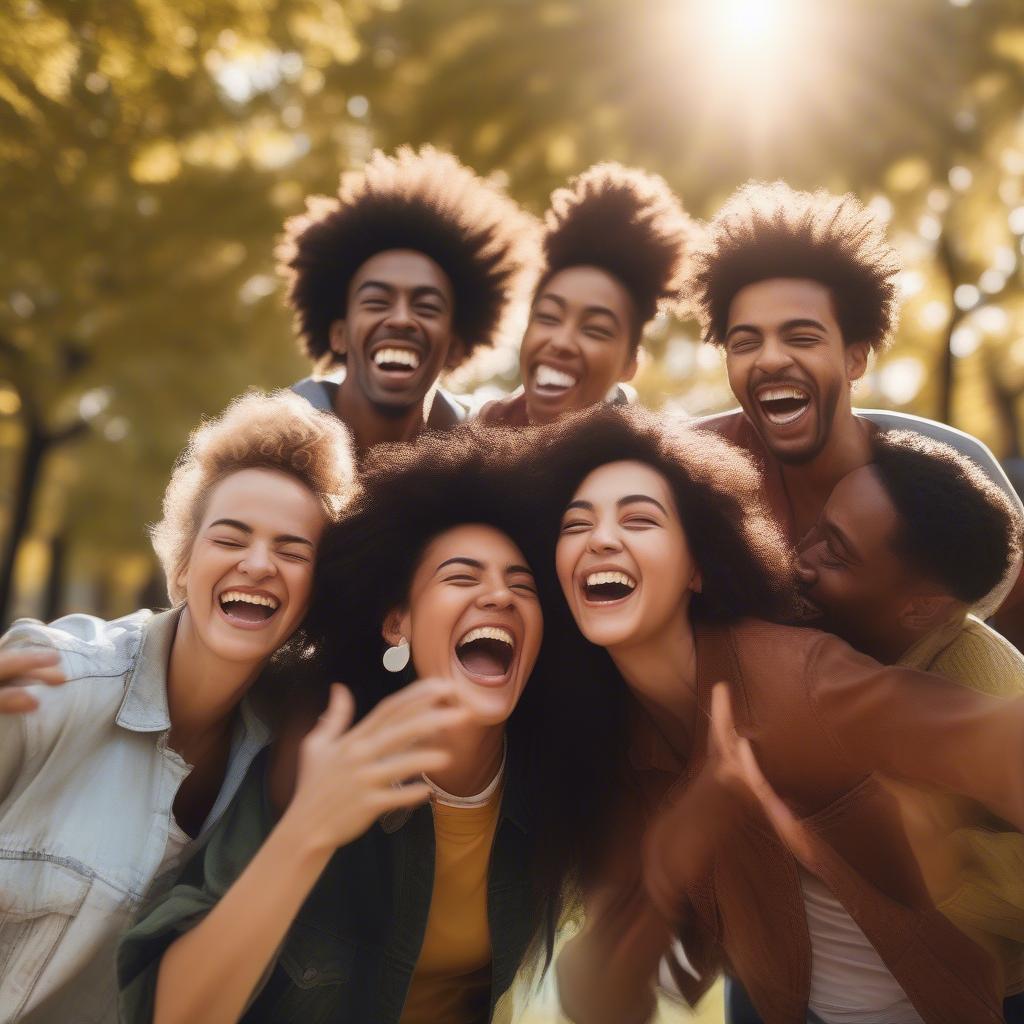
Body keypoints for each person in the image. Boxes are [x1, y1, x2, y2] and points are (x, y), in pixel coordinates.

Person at [523, 405, 1024, 1024]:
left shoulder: (800, 676)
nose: (600, 538)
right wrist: (667, 867)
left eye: (639, 518)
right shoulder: (625, 739)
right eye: (576, 525)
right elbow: (598, 999)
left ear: (699, 564)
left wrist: (937, 848)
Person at [118, 423, 620, 1024]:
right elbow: (168, 1014)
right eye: (461, 578)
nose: (499, 597)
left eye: (522, 585)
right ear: (396, 626)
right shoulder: (323, 759)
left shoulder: (550, 786)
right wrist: (309, 830)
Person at [0, 390, 355, 1023]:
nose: (258, 564)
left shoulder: (285, 757)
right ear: (183, 563)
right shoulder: (53, 684)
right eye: (231, 538)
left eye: (292, 551)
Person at [690, 180, 1024, 624]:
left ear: (855, 358)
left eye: (801, 337)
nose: (769, 359)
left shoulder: (957, 473)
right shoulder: (686, 471)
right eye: (745, 342)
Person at [796, 429, 1024, 1016]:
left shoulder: (981, 692)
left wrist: (934, 871)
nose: (801, 557)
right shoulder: (833, 633)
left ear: (921, 607)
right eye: (818, 528)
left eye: (835, 553)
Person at [278, 145, 537, 456]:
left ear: (455, 348)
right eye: (376, 302)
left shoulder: (488, 449)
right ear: (339, 336)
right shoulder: (271, 449)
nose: (401, 319)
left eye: (427, 307)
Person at [480, 162, 695, 426]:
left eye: (595, 329)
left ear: (630, 365)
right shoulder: (486, 425)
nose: (561, 342)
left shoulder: (643, 458)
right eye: (548, 317)